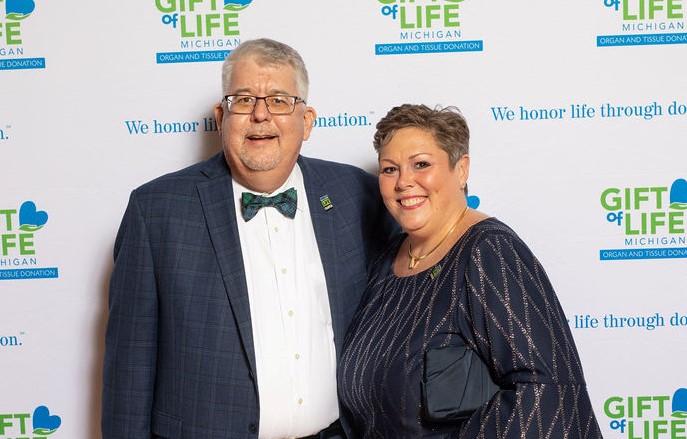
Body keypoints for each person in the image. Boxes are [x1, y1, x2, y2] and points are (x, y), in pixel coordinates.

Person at [102, 38, 396, 439]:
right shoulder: (156, 211)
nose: (260, 115)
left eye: (279, 100)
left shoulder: (355, 193)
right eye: (243, 100)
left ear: (307, 121)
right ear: (221, 116)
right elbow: (128, 369)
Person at [338, 104, 603, 438]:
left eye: (421, 164)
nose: (404, 182)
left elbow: (547, 391)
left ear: (461, 169)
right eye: (390, 169)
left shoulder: (489, 251)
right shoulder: (387, 262)